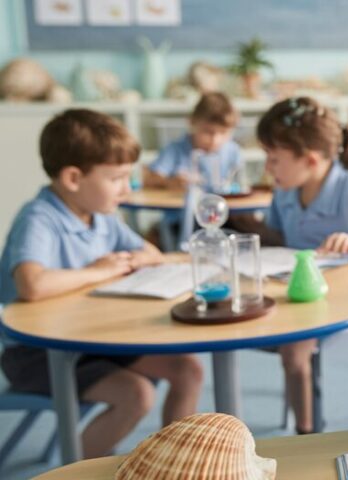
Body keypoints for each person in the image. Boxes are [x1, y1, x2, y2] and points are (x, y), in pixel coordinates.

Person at [0, 109, 203, 458]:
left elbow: (149, 251)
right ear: (73, 178)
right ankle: (81, 471)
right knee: (136, 395)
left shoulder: (101, 216)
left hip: (92, 339)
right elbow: (32, 284)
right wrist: (102, 271)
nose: (127, 189)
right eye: (117, 179)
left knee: (188, 369)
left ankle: (172, 464)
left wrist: (138, 259)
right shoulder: (39, 218)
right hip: (38, 354)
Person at [238, 96, 348, 434]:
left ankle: (305, 435)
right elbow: (278, 239)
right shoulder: (285, 191)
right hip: (295, 295)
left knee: (294, 353)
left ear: (309, 159)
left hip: (341, 303)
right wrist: (247, 227)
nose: (268, 168)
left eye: (274, 158)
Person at [144, 92, 244, 192]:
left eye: (223, 132)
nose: (215, 140)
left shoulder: (232, 151)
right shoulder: (174, 150)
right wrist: (170, 182)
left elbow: (241, 185)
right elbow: (149, 180)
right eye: (208, 132)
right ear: (192, 122)